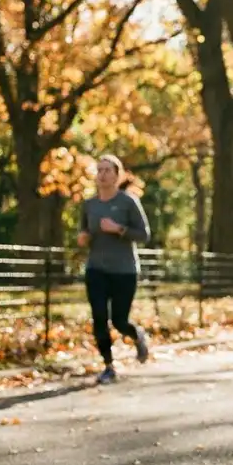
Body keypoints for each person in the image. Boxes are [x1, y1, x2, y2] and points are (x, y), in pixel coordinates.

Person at [77, 155, 151, 384]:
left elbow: (144, 235)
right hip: (96, 269)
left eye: (108, 170)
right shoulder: (90, 205)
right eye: (99, 170)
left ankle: (136, 336)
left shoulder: (128, 202)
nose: (103, 174)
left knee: (119, 320)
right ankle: (108, 366)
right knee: (99, 318)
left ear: (117, 175)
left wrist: (118, 229)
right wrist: (82, 238)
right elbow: (83, 232)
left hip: (124, 270)